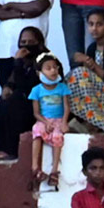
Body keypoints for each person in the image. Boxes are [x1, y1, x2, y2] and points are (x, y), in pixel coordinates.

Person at [0, 26, 45, 159]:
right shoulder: (25, 61)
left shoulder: (46, 60)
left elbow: (28, 86)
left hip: (41, 106)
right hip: (24, 102)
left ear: (40, 44)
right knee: (4, 99)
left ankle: (11, 150)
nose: (26, 46)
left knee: (16, 100)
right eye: (23, 42)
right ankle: (1, 147)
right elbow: (14, 81)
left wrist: (18, 62)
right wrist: (7, 87)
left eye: (31, 42)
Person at [29, 52, 71, 189]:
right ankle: (35, 167)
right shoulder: (36, 90)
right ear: (39, 72)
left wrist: (64, 122)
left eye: (55, 67)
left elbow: (66, 107)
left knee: (58, 136)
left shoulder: (62, 88)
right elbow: (36, 113)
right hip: (44, 119)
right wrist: (46, 122)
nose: (53, 70)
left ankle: (54, 171)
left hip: (58, 120)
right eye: (48, 68)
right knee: (37, 130)